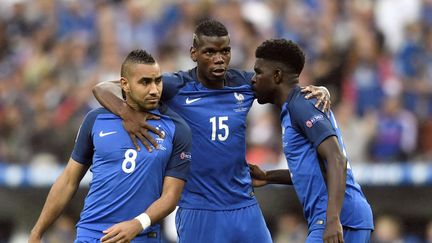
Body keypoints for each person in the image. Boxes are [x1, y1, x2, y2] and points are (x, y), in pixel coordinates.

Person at [93, 20, 330, 242]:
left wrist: (317, 90)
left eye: (225, 51)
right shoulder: (176, 85)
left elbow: (282, 85)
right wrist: (127, 114)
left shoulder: (245, 83)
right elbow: (103, 88)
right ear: (194, 54)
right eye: (210, 52)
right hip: (199, 209)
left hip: (244, 205)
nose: (219, 59)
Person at [29, 49, 192, 243]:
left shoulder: (177, 129)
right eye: (145, 82)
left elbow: (171, 196)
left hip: (141, 236)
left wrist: (138, 223)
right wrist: (37, 232)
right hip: (92, 234)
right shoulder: (96, 120)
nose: (154, 90)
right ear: (125, 84)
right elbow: (68, 181)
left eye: (158, 81)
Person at [249, 39, 374, 243]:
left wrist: (333, 220)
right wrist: (268, 176)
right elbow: (315, 170)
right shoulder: (294, 109)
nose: (253, 79)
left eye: (258, 72)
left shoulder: (302, 105)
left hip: (339, 218)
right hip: (336, 218)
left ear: (277, 75)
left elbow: (336, 158)